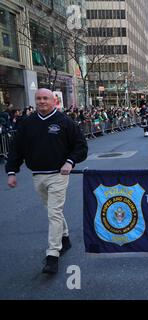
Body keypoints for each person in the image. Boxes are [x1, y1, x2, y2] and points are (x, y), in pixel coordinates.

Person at [5, 88, 88, 274]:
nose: (41, 101)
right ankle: (65, 237)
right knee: (53, 211)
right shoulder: (26, 123)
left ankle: (52, 255)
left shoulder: (65, 121)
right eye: (38, 98)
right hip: (37, 175)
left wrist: (70, 161)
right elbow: (15, 149)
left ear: (54, 101)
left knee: (54, 212)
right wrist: (11, 171)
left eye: (45, 98)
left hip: (58, 175)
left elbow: (81, 146)